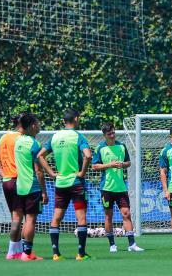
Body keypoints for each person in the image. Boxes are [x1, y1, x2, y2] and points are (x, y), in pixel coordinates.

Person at [38, 108, 93, 260]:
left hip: (60, 184)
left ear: (63, 121)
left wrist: (51, 173)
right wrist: (82, 172)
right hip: (76, 183)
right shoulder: (78, 137)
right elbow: (88, 156)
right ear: (76, 119)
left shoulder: (54, 137)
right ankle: (80, 254)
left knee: (56, 218)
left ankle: (56, 254)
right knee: (81, 218)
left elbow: (40, 155)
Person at [93, 122, 144, 253]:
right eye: (109, 134)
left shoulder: (121, 146)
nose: (112, 135)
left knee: (126, 214)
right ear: (104, 135)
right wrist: (110, 165)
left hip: (121, 188)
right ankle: (112, 244)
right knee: (108, 216)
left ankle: (132, 244)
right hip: (107, 188)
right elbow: (94, 166)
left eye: (113, 132)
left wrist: (123, 164)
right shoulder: (100, 148)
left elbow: (128, 162)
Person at [14, 113, 48, 261]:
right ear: (33, 125)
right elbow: (39, 171)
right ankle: (27, 254)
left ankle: (23, 252)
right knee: (30, 220)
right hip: (32, 187)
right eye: (38, 123)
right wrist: (44, 192)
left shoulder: (18, 141)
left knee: (24, 220)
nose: (39, 126)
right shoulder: (35, 145)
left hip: (20, 186)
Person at [0, 114, 24, 259]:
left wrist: (2, 172)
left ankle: (18, 250)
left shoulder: (4, 137)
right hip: (17, 179)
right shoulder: (21, 139)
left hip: (6, 180)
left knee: (16, 216)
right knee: (18, 217)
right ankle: (12, 251)